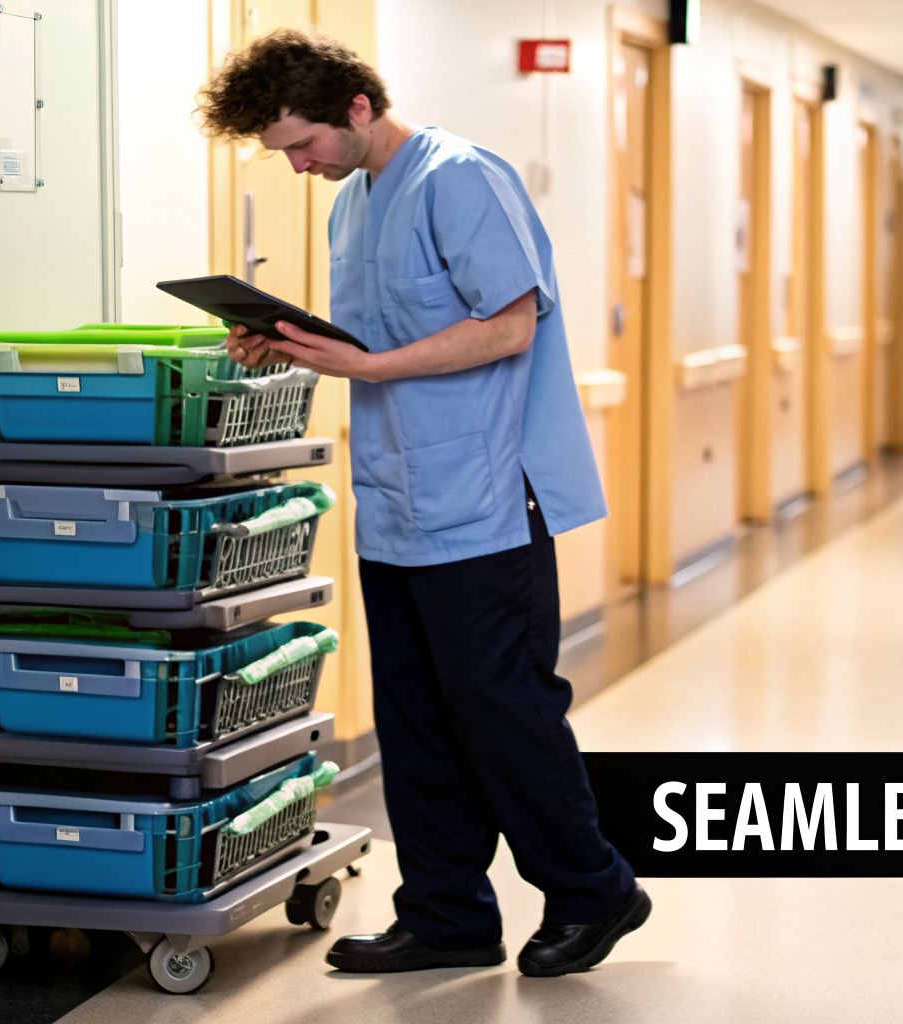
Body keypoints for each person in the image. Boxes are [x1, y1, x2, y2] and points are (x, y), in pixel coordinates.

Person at [198, 30, 648, 978]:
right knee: (413, 716)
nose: (298, 165)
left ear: (357, 107)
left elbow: (512, 325)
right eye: (283, 152)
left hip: (485, 499)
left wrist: (366, 364)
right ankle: (447, 913)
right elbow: (372, 339)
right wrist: (288, 342)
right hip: (399, 501)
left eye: (303, 143)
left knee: (503, 710)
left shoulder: (461, 178)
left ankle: (592, 890)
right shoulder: (351, 206)